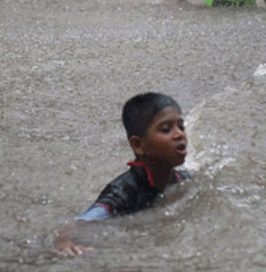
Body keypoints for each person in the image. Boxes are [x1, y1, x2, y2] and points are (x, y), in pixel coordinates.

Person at [56, 93, 190, 256]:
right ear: (139, 145)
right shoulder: (123, 191)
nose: (179, 134)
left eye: (181, 127)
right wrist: (64, 241)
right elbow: (82, 221)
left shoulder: (183, 180)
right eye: (166, 129)